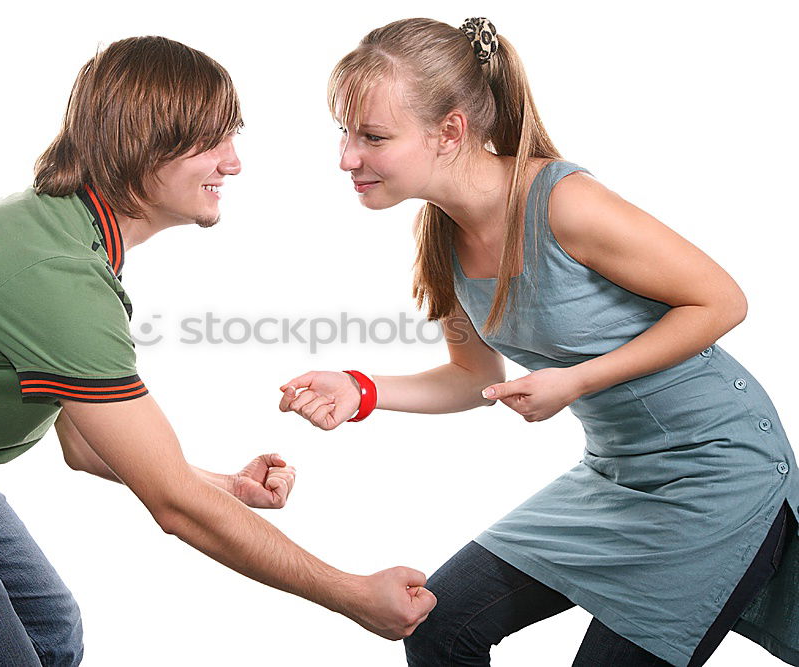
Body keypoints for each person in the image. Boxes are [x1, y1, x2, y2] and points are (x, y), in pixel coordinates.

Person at [0, 35, 436, 665]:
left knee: (54, 636)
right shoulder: (55, 279)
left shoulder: (66, 232)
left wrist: (227, 488)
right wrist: (354, 596)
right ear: (139, 146)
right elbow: (174, 507)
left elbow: (84, 447)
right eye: (209, 141)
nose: (233, 162)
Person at [278, 16, 799, 667]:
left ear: (450, 132)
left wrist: (577, 380)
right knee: (440, 627)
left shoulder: (563, 203)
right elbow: (472, 374)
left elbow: (722, 299)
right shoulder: (440, 235)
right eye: (345, 133)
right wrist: (360, 389)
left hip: (719, 470)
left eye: (373, 136)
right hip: (618, 475)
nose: (347, 157)